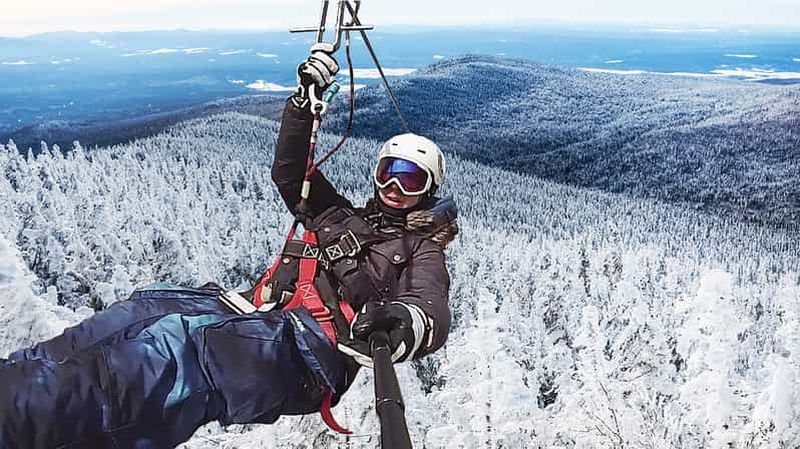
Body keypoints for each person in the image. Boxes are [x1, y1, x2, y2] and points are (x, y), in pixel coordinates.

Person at [0, 45, 458, 449]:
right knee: (135, 314)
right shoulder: (338, 214)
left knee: (173, 352)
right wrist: (302, 106)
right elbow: (290, 171)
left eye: (411, 178)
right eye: (388, 171)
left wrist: (402, 323)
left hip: (309, 350)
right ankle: (16, 388)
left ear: (429, 188)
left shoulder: (421, 249)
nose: (396, 185)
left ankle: (16, 420)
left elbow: (430, 310)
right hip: (249, 308)